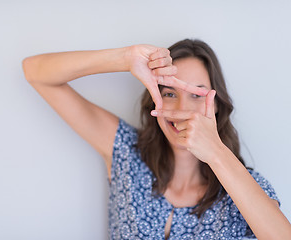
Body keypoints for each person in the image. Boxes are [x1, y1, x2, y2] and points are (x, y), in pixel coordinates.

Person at [22, 39, 291, 239]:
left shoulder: (248, 187)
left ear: (218, 105)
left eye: (197, 95)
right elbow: (35, 72)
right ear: (155, 98)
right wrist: (123, 58)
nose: (182, 109)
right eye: (170, 93)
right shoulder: (126, 152)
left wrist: (216, 153)